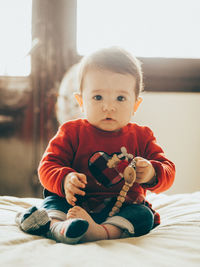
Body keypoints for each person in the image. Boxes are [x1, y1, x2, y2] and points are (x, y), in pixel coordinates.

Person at [16, 46, 175, 244]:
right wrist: (65, 179)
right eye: (98, 97)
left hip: (121, 208)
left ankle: (101, 232)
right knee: (53, 201)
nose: (108, 106)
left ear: (135, 104)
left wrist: (152, 173)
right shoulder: (71, 132)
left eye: (120, 98)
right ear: (81, 101)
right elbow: (47, 167)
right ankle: (58, 226)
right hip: (75, 204)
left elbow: (168, 170)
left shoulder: (141, 136)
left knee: (143, 215)